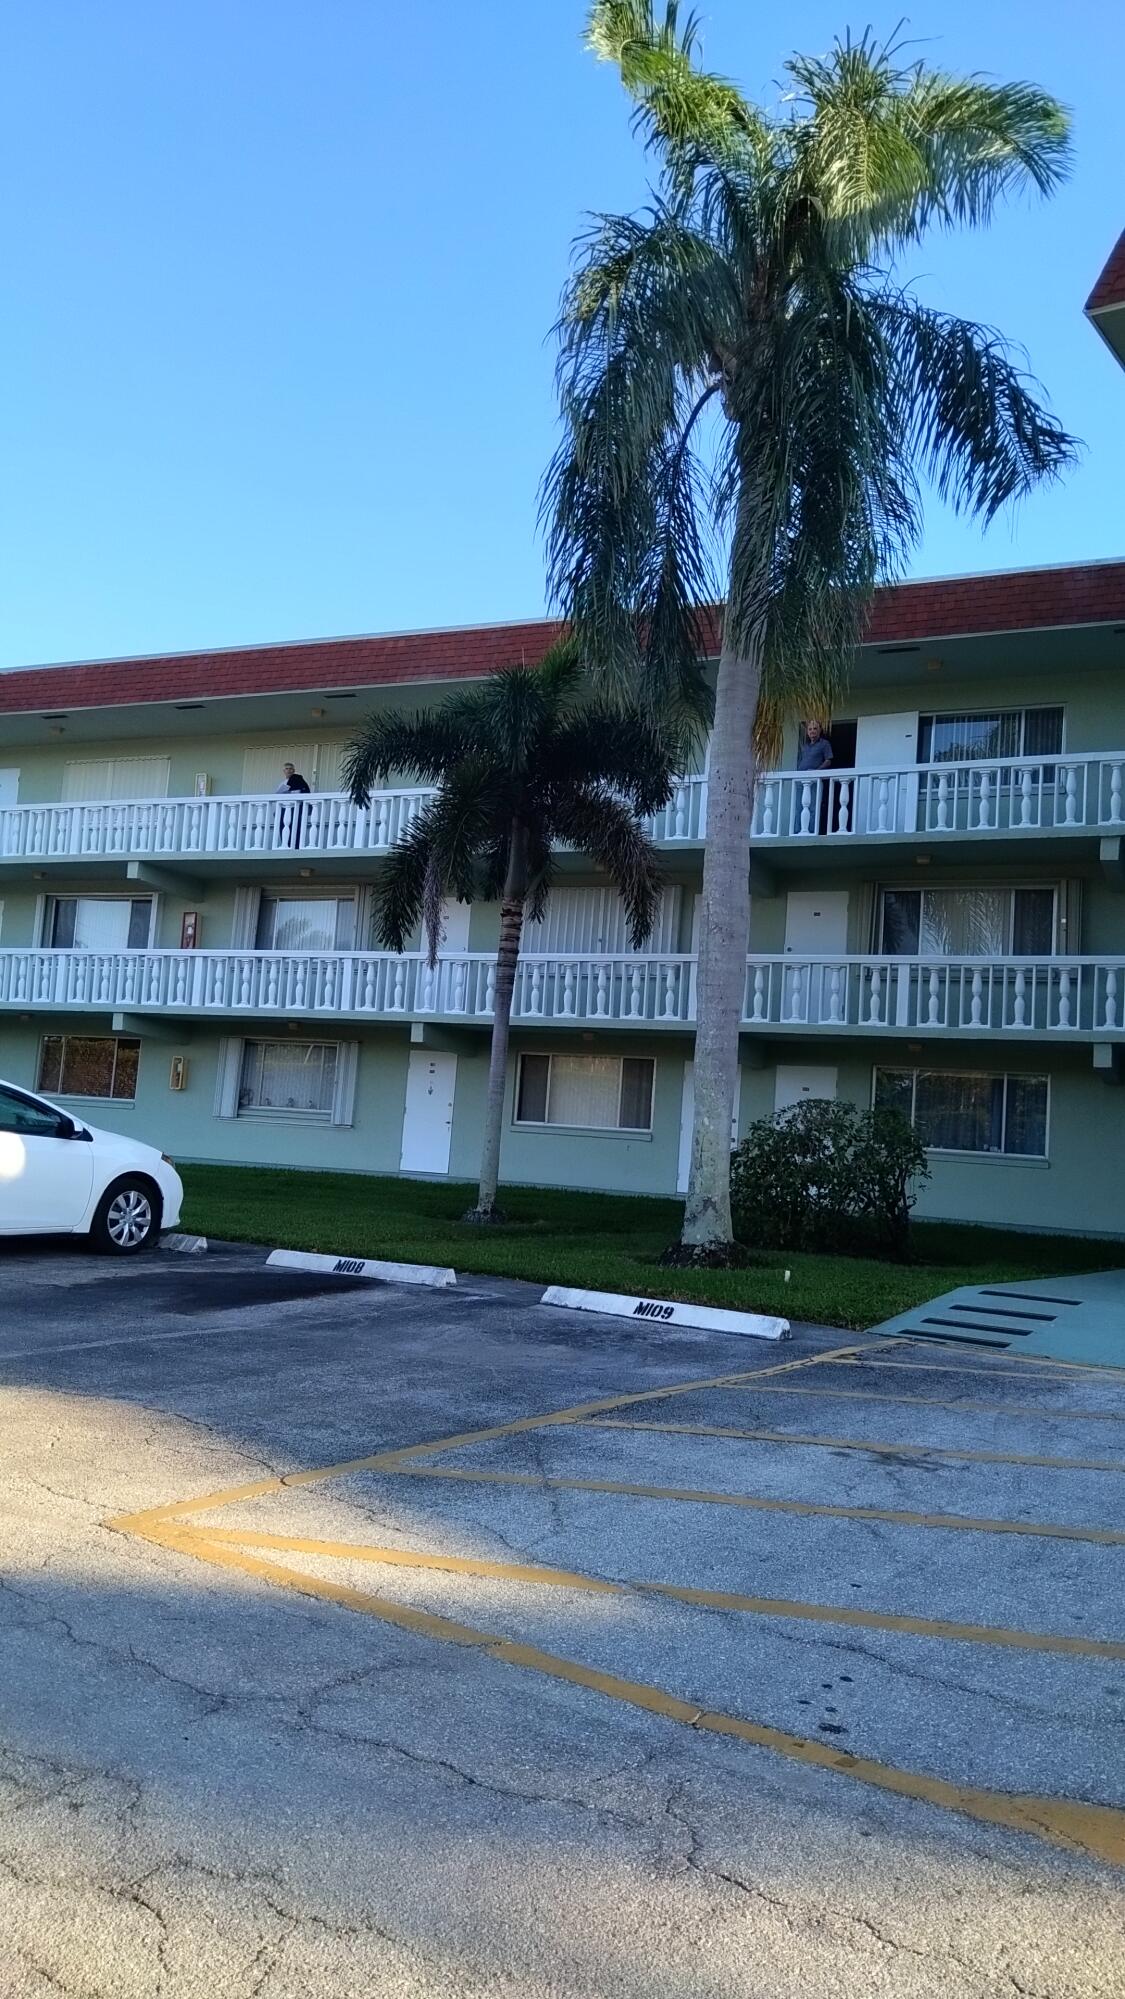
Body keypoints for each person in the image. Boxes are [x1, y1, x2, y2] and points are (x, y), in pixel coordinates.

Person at [276, 762, 311, 848]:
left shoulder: (298, 780)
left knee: (295, 827)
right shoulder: (282, 784)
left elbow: (303, 792)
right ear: (284, 771)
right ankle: (285, 845)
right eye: (287, 769)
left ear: (294, 770)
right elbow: (277, 796)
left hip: (294, 808)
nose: (289, 770)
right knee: (283, 827)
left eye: (291, 769)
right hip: (284, 809)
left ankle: (296, 846)